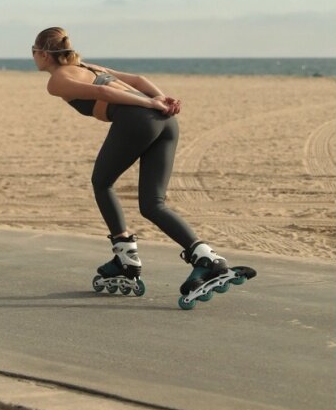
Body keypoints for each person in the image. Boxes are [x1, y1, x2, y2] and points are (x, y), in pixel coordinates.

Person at [31, 26, 255, 308]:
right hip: (166, 122)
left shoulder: (57, 80)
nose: (32, 56)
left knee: (102, 183)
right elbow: (139, 79)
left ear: (43, 53)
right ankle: (208, 260)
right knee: (152, 204)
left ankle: (125, 257)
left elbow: (104, 92)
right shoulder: (87, 66)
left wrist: (150, 102)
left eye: (33, 51)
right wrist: (163, 100)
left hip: (139, 120)